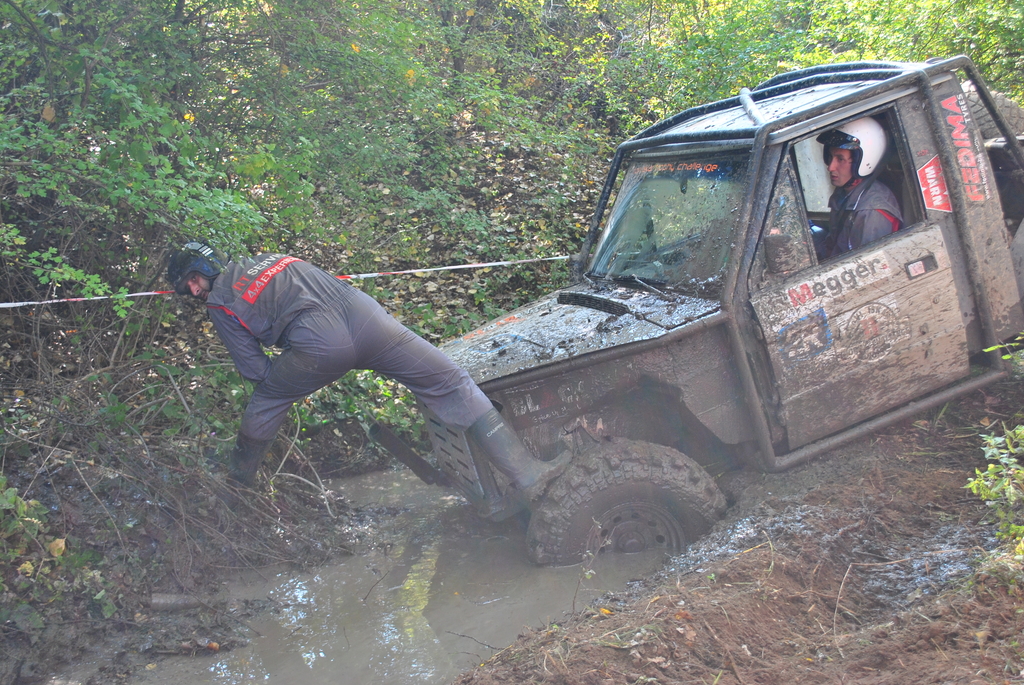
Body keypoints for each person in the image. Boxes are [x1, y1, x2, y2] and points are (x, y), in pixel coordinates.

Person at [166, 242, 565, 499]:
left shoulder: (220, 302)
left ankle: (238, 480)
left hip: (318, 343)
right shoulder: (274, 258)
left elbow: (254, 370)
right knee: (450, 379)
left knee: (268, 395)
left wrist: (288, 372)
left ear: (205, 270)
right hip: (369, 319)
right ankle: (526, 472)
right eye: (190, 290)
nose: (196, 293)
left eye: (193, 283)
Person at [813, 117, 903, 259]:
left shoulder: (870, 212)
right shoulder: (846, 194)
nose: (831, 167)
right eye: (830, 157)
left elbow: (871, 268)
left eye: (840, 159)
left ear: (863, 161)